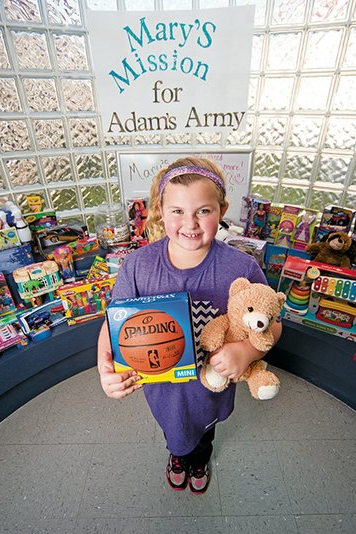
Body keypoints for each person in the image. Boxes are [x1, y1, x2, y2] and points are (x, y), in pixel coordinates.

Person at [97, 156, 282, 495]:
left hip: (212, 385)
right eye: (178, 211)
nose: (190, 223)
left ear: (222, 209)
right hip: (162, 387)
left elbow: (273, 322)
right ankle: (178, 456)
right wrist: (104, 367)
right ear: (160, 210)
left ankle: (199, 459)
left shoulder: (241, 267)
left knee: (205, 433)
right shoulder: (138, 266)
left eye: (203, 211)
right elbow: (114, 322)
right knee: (174, 431)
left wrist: (246, 350)